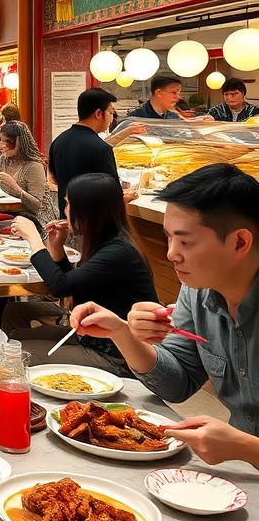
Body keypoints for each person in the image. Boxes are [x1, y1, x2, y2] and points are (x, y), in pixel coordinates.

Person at [70, 163, 259, 467]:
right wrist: (122, 332)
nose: (171, 253)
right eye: (168, 237)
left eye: (185, 241)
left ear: (240, 242)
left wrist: (248, 448)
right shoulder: (196, 291)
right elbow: (177, 383)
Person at [6, 172, 156, 373]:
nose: (64, 210)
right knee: (14, 331)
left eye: (68, 205)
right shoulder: (106, 241)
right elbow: (73, 284)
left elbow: (60, 286)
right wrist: (57, 247)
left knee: (15, 352)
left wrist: (33, 237)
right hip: (90, 335)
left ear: (86, 211)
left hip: (114, 354)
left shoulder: (118, 251)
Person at [48, 86, 120, 215]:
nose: (112, 118)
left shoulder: (58, 141)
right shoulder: (101, 148)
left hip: (66, 218)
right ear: (98, 114)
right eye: (110, 113)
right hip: (93, 222)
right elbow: (113, 193)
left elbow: (53, 179)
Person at [0, 122, 53, 233]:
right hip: (11, 212)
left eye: (7, 141)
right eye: (0, 140)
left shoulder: (34, 166)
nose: (2, 145)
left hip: (35, 219)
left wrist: (16, 188)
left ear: (20, 143)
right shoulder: (4, 160)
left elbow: (36, 205)